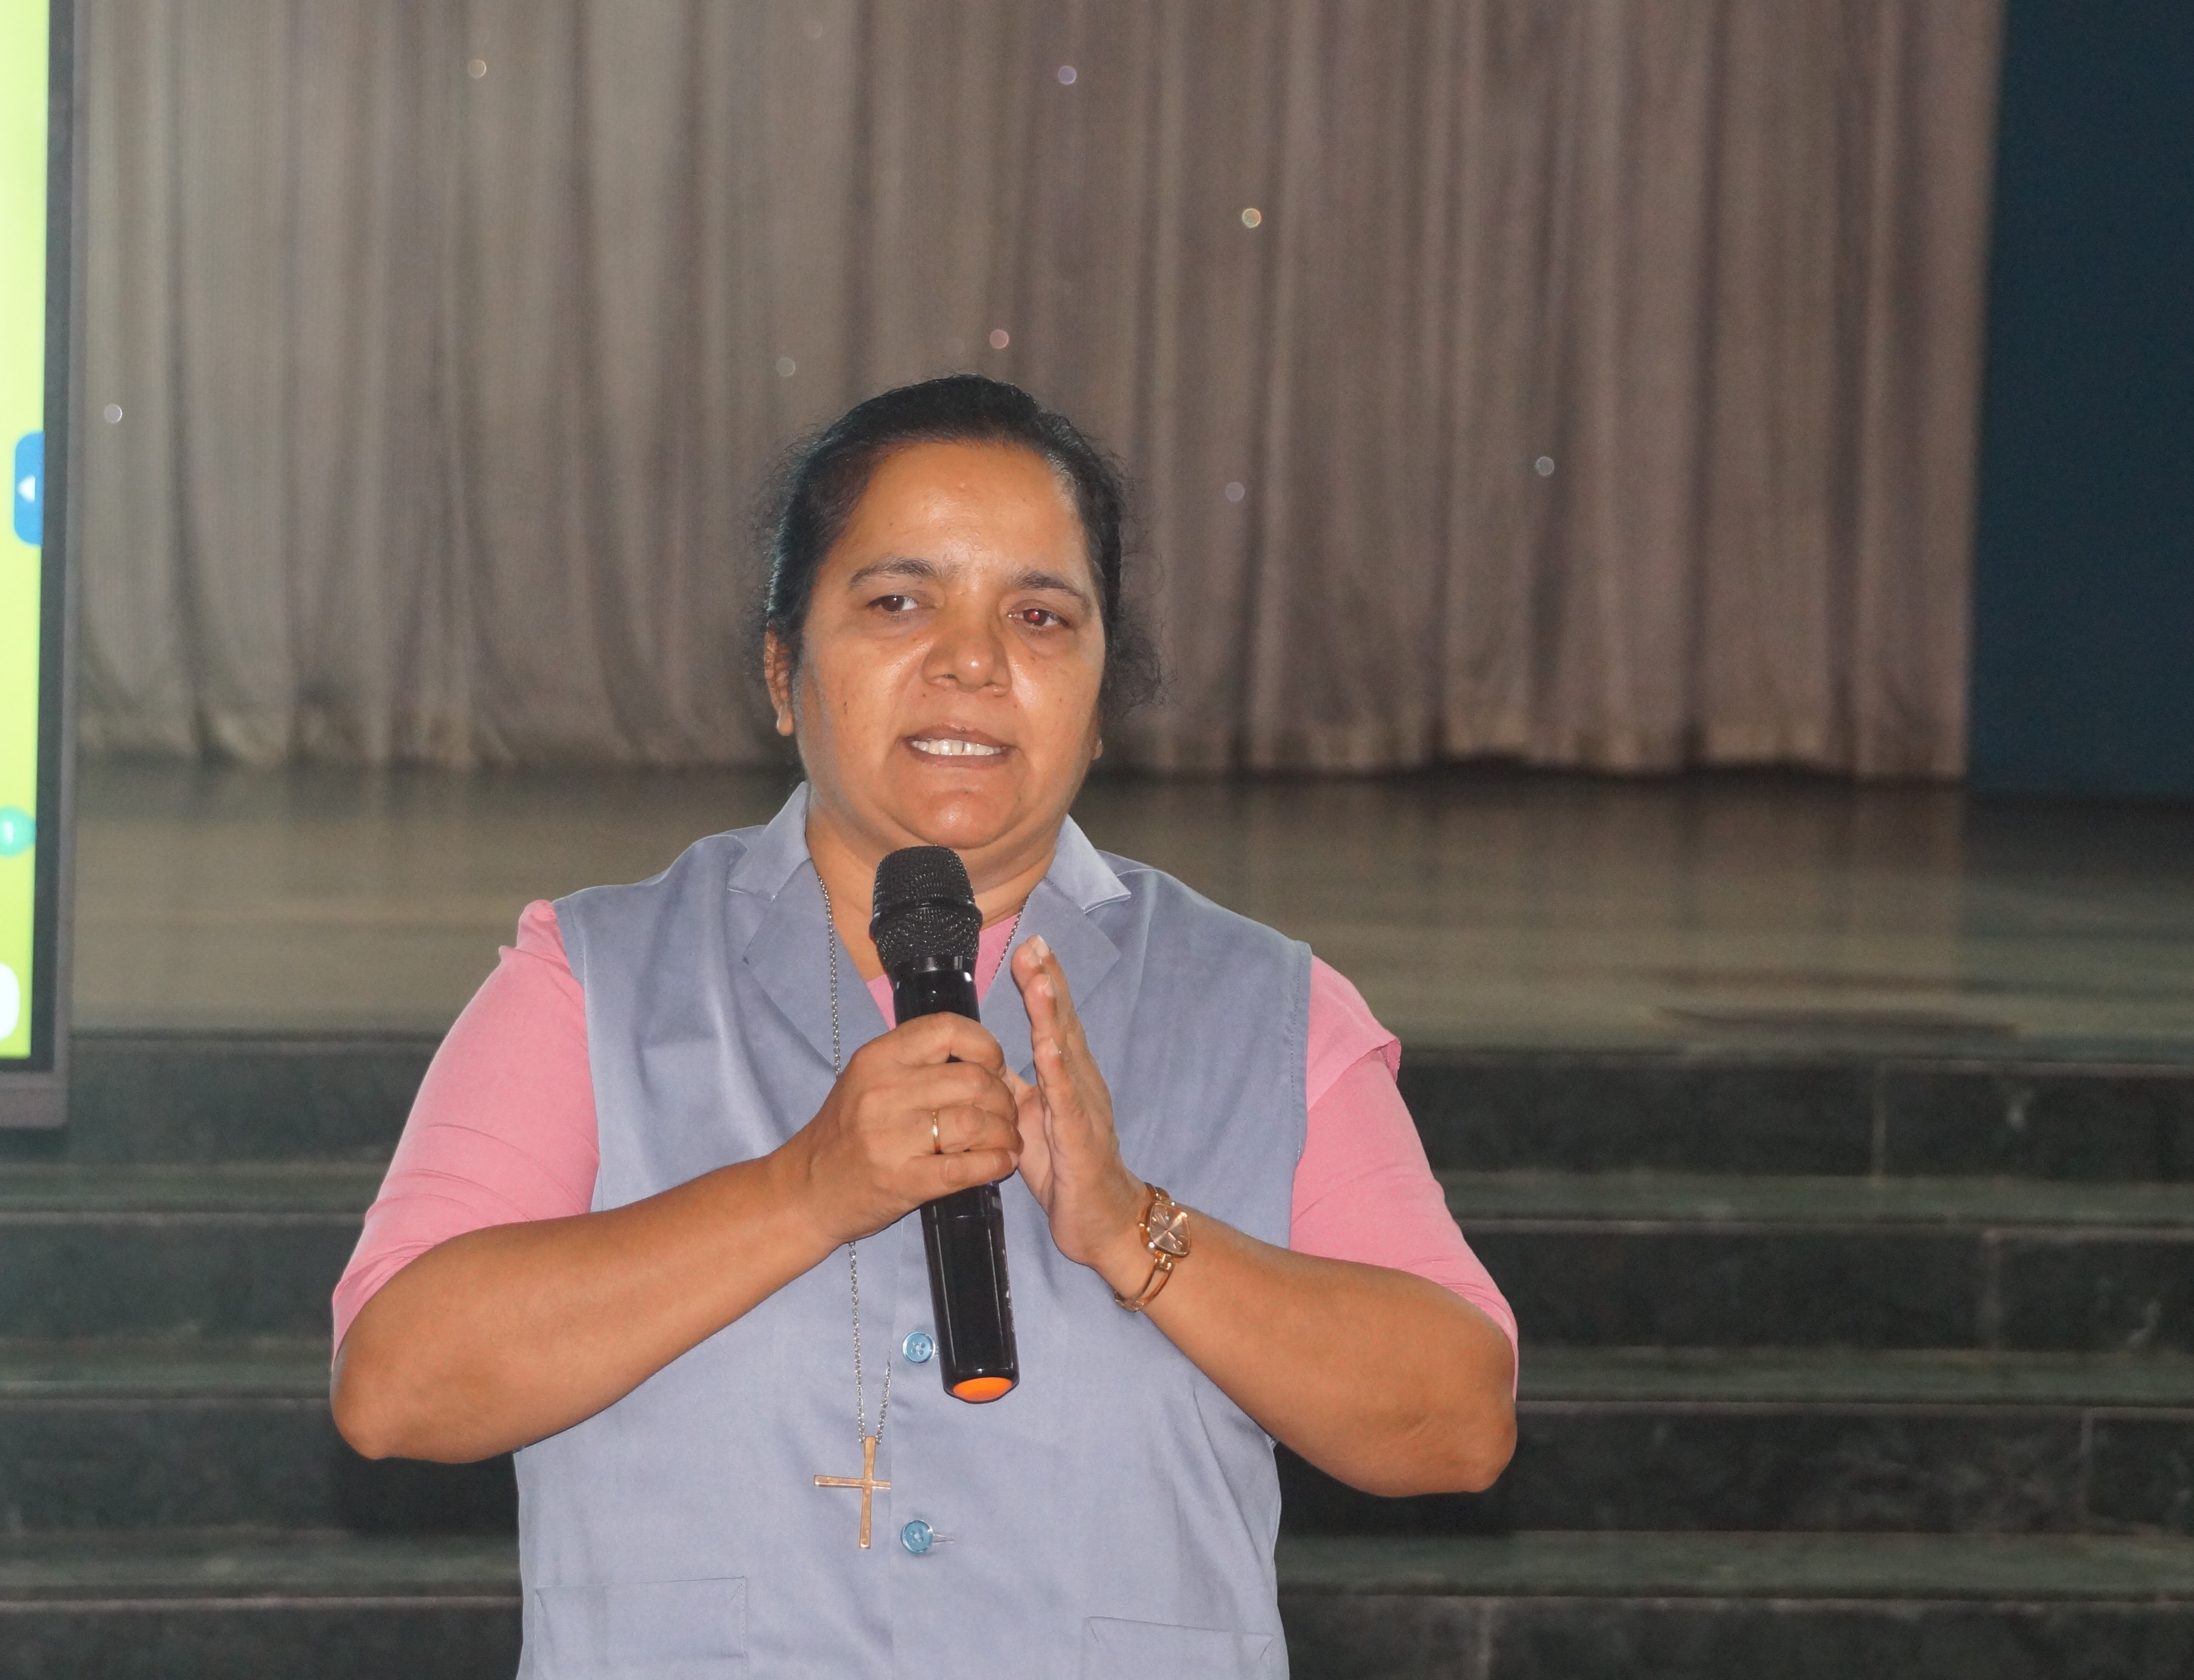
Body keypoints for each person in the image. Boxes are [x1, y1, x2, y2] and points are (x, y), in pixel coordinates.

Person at [332, 374, 1515, 1677]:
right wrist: (801, 1190)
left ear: (1099, 696)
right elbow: (397, 1385)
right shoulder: (593, 977)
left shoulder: (1264, 1005)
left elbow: (1457, 1420)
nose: (972, 659)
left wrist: (1136, 1230)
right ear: (782, 671)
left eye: (1039, 615)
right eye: (899, 601)